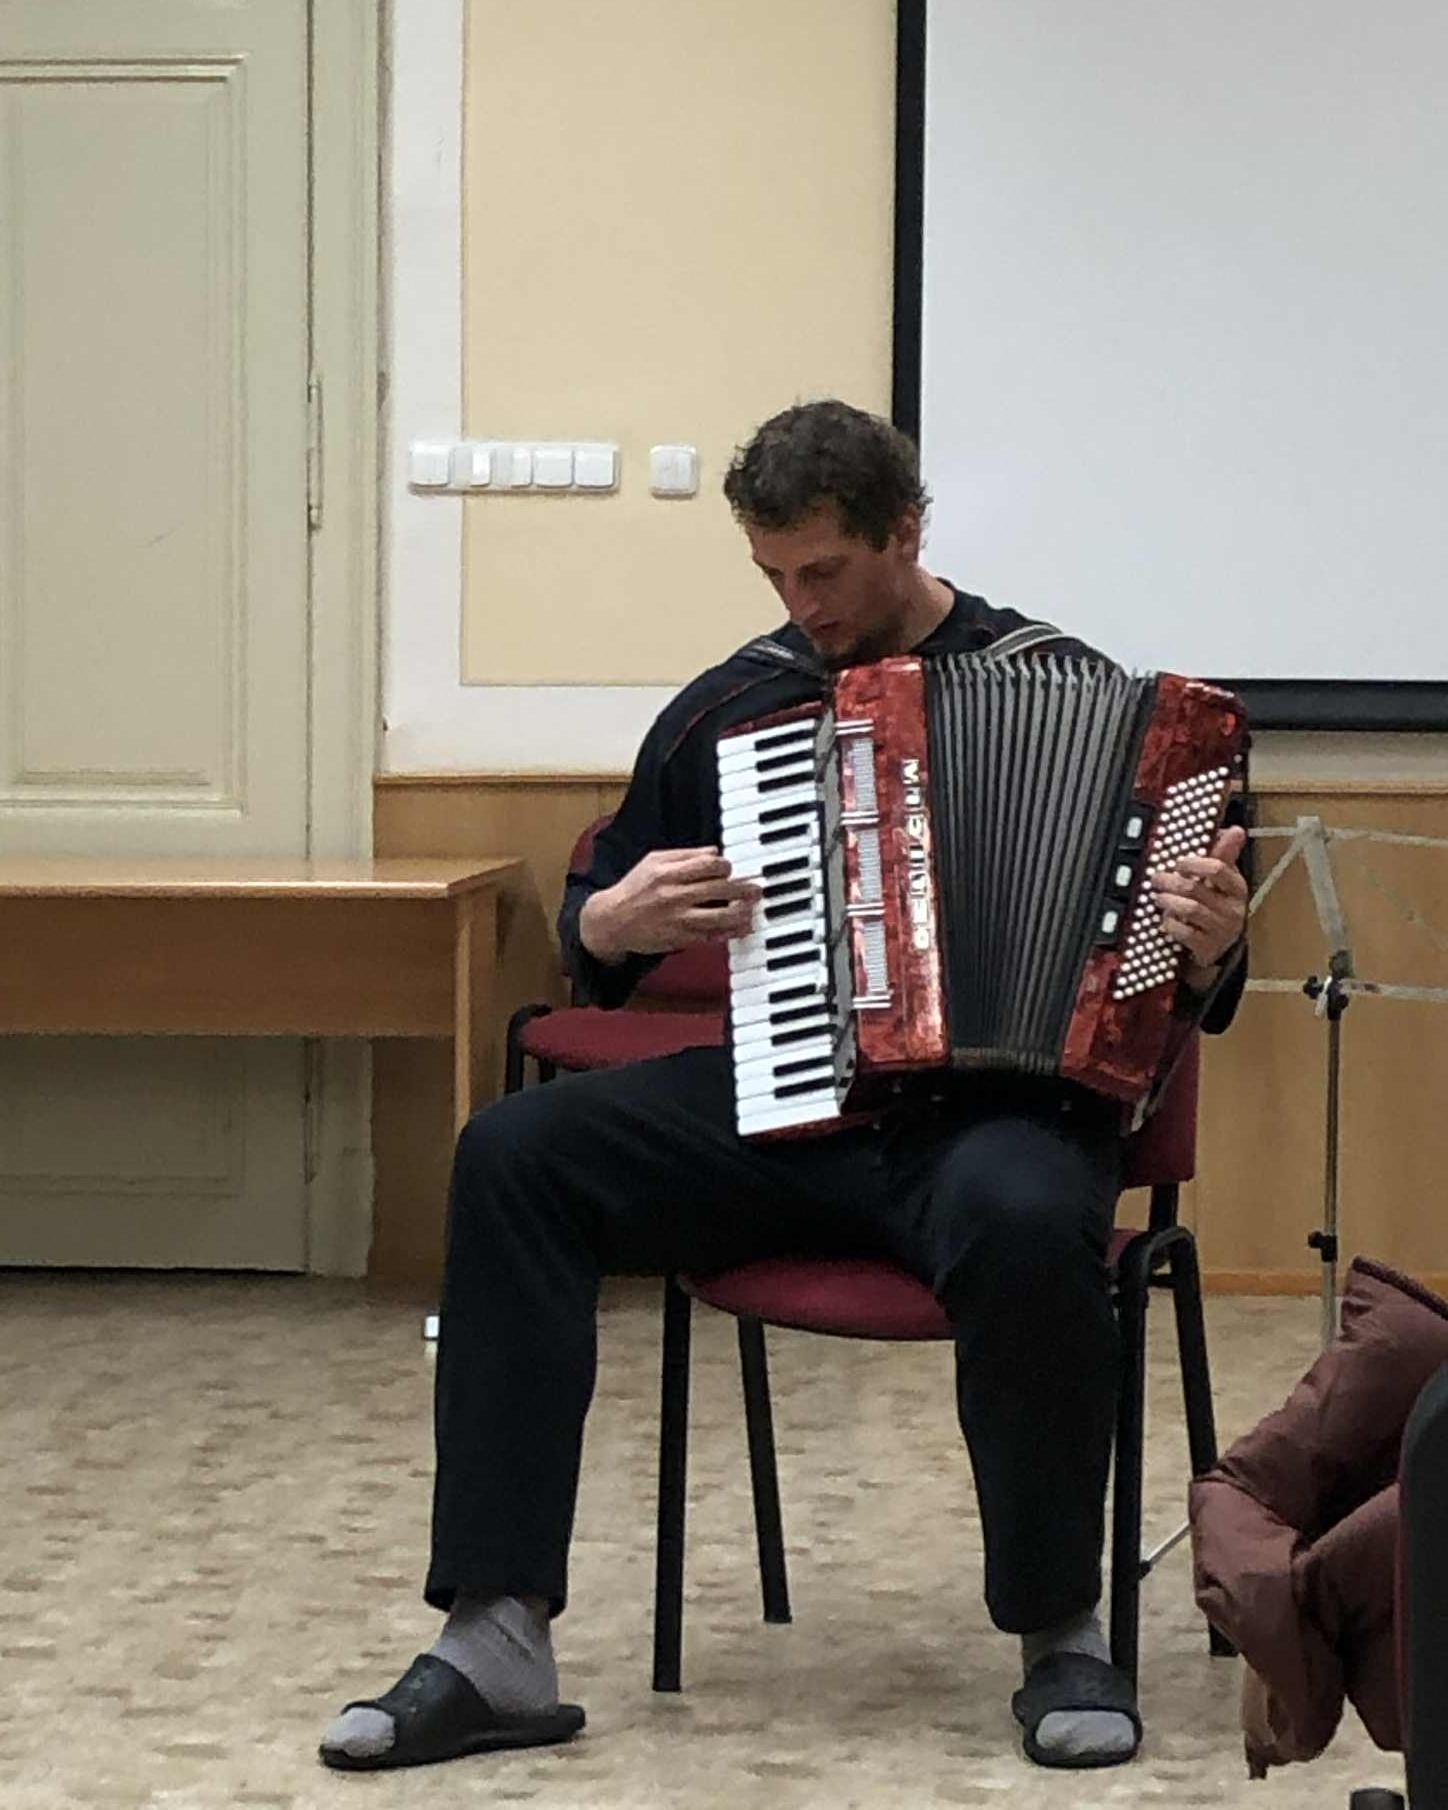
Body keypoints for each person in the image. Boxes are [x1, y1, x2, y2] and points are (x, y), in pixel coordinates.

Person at [319, 400, 1249, 1775]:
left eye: (826, 571)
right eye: (774, 575)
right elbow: (598, 930)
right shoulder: (735, 706)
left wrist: (1213, 943)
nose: (801, 607)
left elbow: (1197, 977)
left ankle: (1060, 1631)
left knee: (1022, 1214)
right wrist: (610, 923)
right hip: (792, 1098)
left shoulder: (1076, 692)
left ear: (907, 532)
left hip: (1001, 1121)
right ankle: (494, 1638)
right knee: (516, 1153)